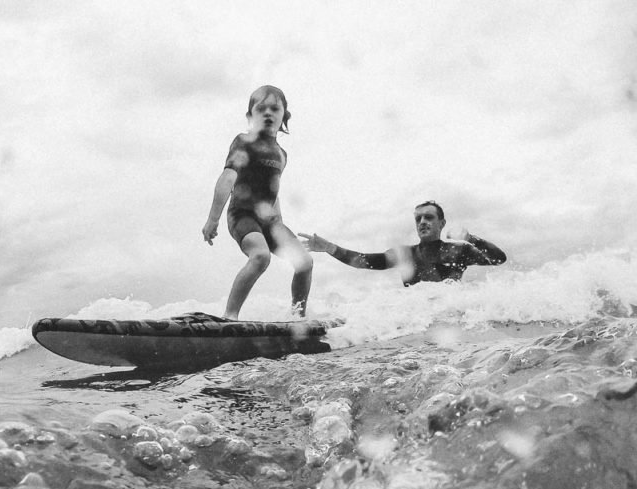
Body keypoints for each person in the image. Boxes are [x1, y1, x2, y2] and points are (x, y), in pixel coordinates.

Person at [201, 85, 314, 319]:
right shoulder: (244, 142)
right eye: (261, 108)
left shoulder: (282, 154)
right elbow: (228, 177)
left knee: (304, 262)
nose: (268, 113)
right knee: (261, 256)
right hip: (242, 215)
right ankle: (229, 317)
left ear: (285, 115)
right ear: (250, 115)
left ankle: (297, 319)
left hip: (269, 221)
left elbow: (273, 190)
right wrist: (213, 220)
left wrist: (280, 225)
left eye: (275, 108)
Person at [299, 201, 505, 286]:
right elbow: (362, 261)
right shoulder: (404, 254)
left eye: (429, 218)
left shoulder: (458, 250)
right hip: (417, 321)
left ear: (442, 223)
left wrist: (472, 239)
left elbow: (498, 259)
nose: (422, 222)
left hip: (449, 318)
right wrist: (330, 248)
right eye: (418, 219)